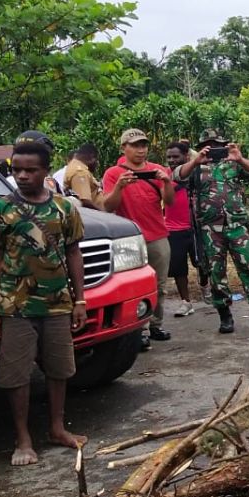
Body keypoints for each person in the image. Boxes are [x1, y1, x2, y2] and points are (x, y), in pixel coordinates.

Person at [0, 139, 87, 466]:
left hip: (57, 303)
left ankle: (57, 428)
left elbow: (74, 253)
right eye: (17, 170)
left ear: (46, 170)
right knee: (16, 373)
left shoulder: (64, 208)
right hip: (16, 306)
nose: (23, 175)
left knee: (59, 368)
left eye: (31, 170)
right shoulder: (1, 210)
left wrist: (80, 300)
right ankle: (23, 439)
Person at [175, 130, 249, 333]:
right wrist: (195, 161)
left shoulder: (233, 163)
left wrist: (240, 159)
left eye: (216, 144)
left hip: (237, 225)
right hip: (210, 229)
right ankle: (225, 315)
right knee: (216, 272)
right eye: (208, 144)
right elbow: (177, 176)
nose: (213, 148)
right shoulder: (196, 167)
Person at [102, 128, 175, 349]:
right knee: (134, 288)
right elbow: (108, 207)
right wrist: (119, 188)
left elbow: (169, 202)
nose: (140, 150)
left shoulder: (158, 170)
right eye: (135, 145)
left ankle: (155, 324)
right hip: (129, 240)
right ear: (124, 147)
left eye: (143, 145)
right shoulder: (113, 173)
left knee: (159, 284)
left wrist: (166, 182)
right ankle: (138, 329)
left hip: (157, 235)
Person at [164, 142, 203, 318]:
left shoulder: (198, 173)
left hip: (196, 227)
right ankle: (185, 302)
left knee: (202, 263)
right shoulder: (164, 174)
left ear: (186, 156)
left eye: (176, 156)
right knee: (179, 269)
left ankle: (205, 285)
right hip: (173, 229)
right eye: (169, 157)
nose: (172, 160)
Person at [62, 144, 104, 210]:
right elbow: (85, 201)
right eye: (96, 159)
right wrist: (104, 213)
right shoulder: (80, 172)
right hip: (93, 217)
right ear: (91, 157)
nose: (97, 163)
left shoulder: (76, 166)